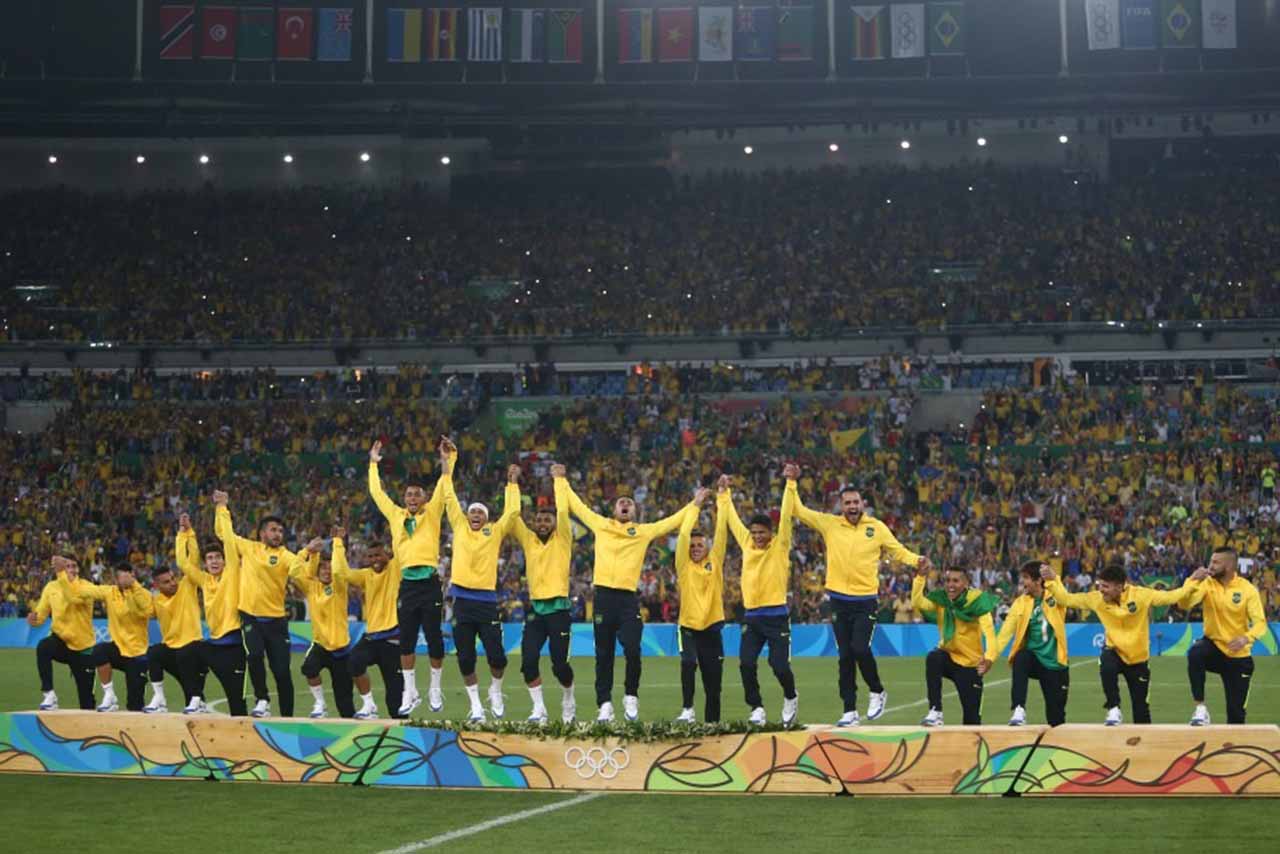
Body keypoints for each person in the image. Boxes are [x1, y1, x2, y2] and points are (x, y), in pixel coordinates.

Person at [561, 467, 699, 722]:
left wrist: (695, 504)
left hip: (627, 599)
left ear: (635, 512)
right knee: (603, 655)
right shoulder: (601, 525)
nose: (625, 504)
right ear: (614, 511)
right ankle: (604, 704)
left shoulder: (643, 531)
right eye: (621, 502)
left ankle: (630, 696)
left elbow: (673, 521)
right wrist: (560, 480)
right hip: (602, 597)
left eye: (629, 503)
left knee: (633, 649)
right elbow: (577, 506)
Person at [793, 480, 933, 725]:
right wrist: (792, 482)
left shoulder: (876, 527)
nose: (852, 506)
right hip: (838, 600)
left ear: (863, 504)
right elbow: (799, 510)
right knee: (845, 656)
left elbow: (898, 551)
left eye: (856, 502)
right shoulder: (830, 524)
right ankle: (849, 710)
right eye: (847, 503)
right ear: (841, 505)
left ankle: (877, 690)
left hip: (865, 600)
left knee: (859, 648)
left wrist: (917, 560)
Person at [1042, 565, 1193, 725]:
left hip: (1138, 660)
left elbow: (1172, 596)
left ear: (1120, 587)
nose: (1101, 590)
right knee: (1106, 660)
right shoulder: (1096, 599)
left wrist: (1192, 582)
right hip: (1115, 652)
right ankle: (1113, 708)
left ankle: (1143, 745)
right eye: (1100, 585)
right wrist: (1053, 580)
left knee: (1141, 711)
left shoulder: (1141, 595)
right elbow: (1066, 599)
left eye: (1106, 586)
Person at [370, 437, 452, 716]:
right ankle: (410, 691)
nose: (412, 498)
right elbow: (377, 494)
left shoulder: (433, 514)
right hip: (407, 585)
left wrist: (446, 459)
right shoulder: (395, 515)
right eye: (409, 495)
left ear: (425, 498)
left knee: (434, 639)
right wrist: (372, 464)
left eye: (417, 494)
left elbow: (444, 483)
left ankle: (436, 688)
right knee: (405, 641)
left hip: (429, 583)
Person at [440, 452, 521, 721]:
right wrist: (446, 465)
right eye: (472, 511)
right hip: (462, 601)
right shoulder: (460, 527)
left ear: (486, 518)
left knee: (498, 657)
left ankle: (495, 691)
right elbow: (449, 497)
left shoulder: (494, 531)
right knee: (465, 659)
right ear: (466, 515)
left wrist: (512, 483)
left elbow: (512, 512)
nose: (475, 514)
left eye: (480, 512)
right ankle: (475, 704)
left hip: (486, 602)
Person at [720, 469, 800, 726]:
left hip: (776, 616)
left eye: (761, 533)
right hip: (751, 616)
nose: (756, 537)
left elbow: (786, 515)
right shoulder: (746, 543)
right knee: (745, 664)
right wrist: (724, 494)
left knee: (779, 666)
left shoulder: (780, 546)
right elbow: (733, 521)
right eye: (753, 533)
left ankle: (790, 696)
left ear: (771, 532)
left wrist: (790, 483)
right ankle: (756, 708)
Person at [214, 490, 303, 718]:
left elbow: (298, 569)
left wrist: (308, 553)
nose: (278, 534)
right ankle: (262, 699)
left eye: (281, 531)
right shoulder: (249, 548)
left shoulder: (285, 555)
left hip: (276, 621)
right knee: (253, 656)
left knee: (282, 671)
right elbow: (224, 534)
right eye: (273, 530)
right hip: (250, 616)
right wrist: (222, 507)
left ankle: (287, 716)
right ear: (262, 533)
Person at [510, 464, 576, 724]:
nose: (542, 523)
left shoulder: (563, 539)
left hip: (559, 610)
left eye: (547, 520)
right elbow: (513, 518)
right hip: (536, 611)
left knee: (560, 665)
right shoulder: (529, 540)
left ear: (554, 524)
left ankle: (568, 697)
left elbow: (563, 510)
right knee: (528, 663)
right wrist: (512, 483)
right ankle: (539, 709)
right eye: (538, 519)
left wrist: (559, 479)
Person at [1182, 548, 1268, 725]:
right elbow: (1184, 603)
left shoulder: (1247, 589)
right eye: (1211, 562)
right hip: (1213, 648)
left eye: (1215, 562)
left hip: (1239, 657)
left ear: (1228, 566)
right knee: (1196, 653)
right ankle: (1200, 709)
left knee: (1236, 715)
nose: (1210, 566)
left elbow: (1260, 623)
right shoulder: (1207, 584)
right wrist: (1191, 580)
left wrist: (1246, 638)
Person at [175, 510, 248, 716]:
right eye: (209, 558)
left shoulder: (232, 573)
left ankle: (244, 741)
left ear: (225, 560)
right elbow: (183, 562)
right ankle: (196, 698)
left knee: (237, 703)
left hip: (234, 646)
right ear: (205, 563)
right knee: (187, 652)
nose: (214, 561)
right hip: (215, 644)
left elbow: (230, 543)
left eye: (218, 557)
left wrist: (222, 509)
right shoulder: (205, 580)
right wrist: (185, 533)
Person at [912, 564, 998, 726]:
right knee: (934, 657)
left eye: (956, 581)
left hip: (970, 665)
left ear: (965, 583)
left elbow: (990, 634)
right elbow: (918, 602)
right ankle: (935, 711)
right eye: (948, 580)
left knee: (972, 721)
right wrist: (920, 578)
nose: (951, 585)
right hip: (949, 658)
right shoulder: (942, 600)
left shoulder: (977, 602)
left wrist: (989, 658)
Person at [61, 563, 153, 713]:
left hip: (137, 653)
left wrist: (133, 588)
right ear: (116, 579)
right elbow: (83, 590)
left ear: (133, 576)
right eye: (121, 577)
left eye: (128, 576)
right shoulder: (110, 592)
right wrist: (64, 573)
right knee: (99, 651)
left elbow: (147, 611)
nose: (124, 580)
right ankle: (110, 696)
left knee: (135, 705)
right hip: (118, 649)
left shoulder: (144, 594)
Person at [333, 532, 403, 720]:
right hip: (372, 636)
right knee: (354, 662)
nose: (374, 559)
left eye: (378, 555)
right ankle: (369, 704)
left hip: (393, 638)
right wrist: (338, 543)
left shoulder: (395, 569)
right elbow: (342, 573)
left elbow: (401, 547)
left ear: (386, 554)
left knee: (395, 699)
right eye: (370, 556)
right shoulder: (366, 575)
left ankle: (403, 731)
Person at [993, 561, 1070, 726]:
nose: (1023, 583)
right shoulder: (1020, 603)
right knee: (1021, 657)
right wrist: (989, 657)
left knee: (1056, 718)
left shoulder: (1055, 597)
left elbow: (1065, 597)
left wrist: (1054, 578)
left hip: (1055, 664)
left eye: (1026, 578)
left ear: (1037, 581)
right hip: (1034, 660)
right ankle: (1019, 708)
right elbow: (1005, 632)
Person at [290, 534, 355, 719]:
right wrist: (308, 551)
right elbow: (294, 571)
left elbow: (340, 570)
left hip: (341, 649)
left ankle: (349, 727)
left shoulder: (339, 585)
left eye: (329, 567)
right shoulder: (311, 587)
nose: (326, 571)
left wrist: (338, 542)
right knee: (309, 668)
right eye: (322, 568)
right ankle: (320, 703)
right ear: (317, 571)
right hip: (320, 645)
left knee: (344, 701)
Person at [673, 485, 723, 723]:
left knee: (713, 683)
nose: (694, 549)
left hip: (712, 627)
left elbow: (721, 531)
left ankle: (712, 725)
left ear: (708, 548)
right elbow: (683, 535)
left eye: (699, 545)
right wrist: (696, 504)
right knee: (688, 662)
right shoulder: (683, 566)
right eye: (692, 546)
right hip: (689, 626)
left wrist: (723, 498)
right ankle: (687, 709)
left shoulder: (716, 562)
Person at [29, 556, 98, 711]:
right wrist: (35, 618)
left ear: (78, 569)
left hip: (83, 648)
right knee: (44, 647)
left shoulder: (85, 586)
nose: (71, 569)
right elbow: (41, 613)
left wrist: (60, 573)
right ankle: (49, 694)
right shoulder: (51, 587)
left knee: (87, 702)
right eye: (67, 566)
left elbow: (73, 598)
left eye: (74, 566)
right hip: (61, 641)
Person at [143, 563, 209, 714]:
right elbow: (143, 610)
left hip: (193, 649)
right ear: (157, 585)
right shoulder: (157, 600)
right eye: (166, 582)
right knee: (154, 652)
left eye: (173, 578)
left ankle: (197, 699)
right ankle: (159, 699)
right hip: (174, 651)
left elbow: (191, 561)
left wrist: (186, 537)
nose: (173, 583)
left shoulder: (186, 586)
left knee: (185, 657)